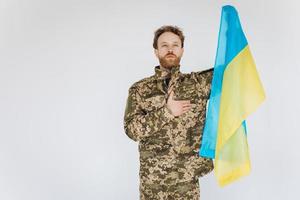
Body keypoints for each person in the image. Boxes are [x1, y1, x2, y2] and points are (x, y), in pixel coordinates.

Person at [123, 25, 214, 200]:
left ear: (182, 50)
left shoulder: (199, 84)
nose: (170, 49)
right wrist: (166, 112)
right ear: (156, 51)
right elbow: (131, 130)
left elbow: (232, 71)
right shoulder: (140, 90)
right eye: (164, 45)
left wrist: (231, 33)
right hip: (153, 185)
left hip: (187, 183)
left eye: (175, 45)